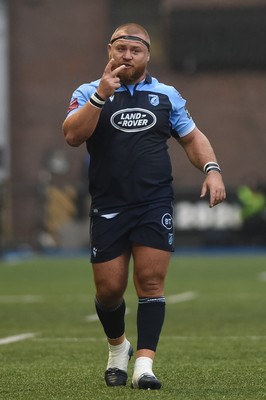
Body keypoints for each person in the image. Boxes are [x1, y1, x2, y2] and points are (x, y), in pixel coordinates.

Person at [62, 22, 226, 390]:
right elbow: (73, 135)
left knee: (150, 282)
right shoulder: (88, 91)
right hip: (108, 205)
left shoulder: (167, 95)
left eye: (135, 51)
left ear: (148, 55)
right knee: (109, 291)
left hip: (154, 202)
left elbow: (192, 137)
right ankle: (118, 349)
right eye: (121, 49)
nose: (127, 56)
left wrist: (212, 169)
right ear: (109, 50)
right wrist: (101, 96)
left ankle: (144, 366)